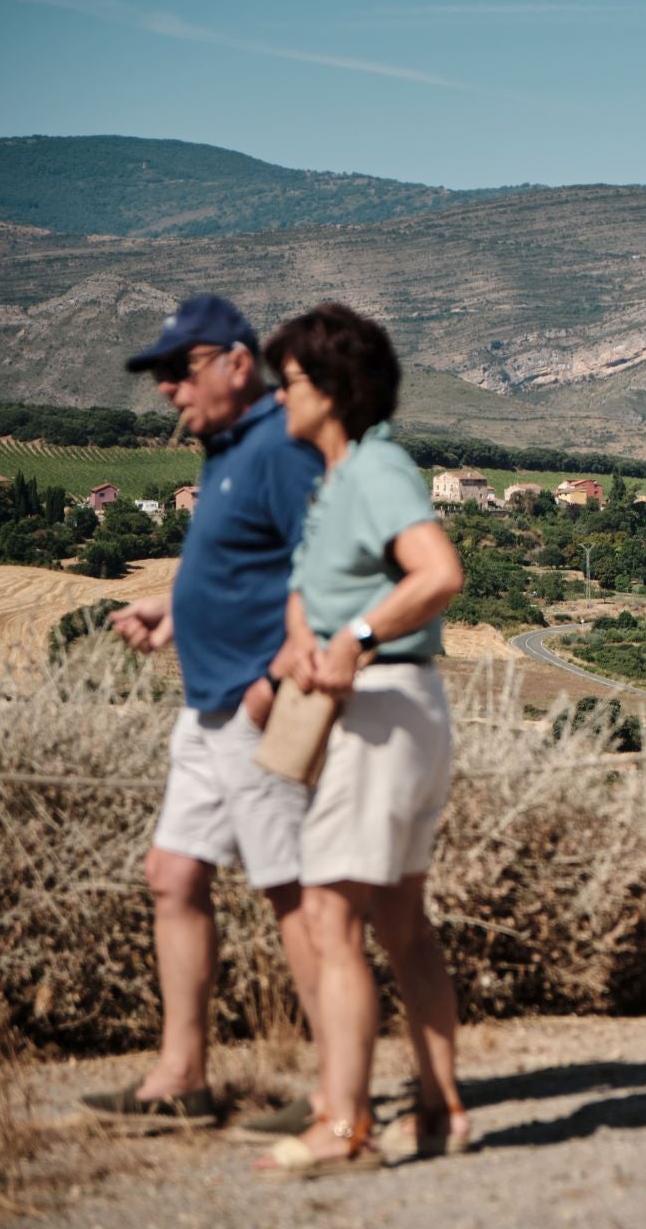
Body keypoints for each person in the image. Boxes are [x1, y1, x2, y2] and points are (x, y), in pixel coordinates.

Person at [83, 296, 326, 1133]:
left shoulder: (281, 449)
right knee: (172, 875)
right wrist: (175, 608)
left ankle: (338, 1088)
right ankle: (182, 1077)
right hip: (207, 703)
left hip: (252, 709)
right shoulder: (225, 452)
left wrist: (273, 684)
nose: (164, 391)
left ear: (235, 362)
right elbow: (241, 569)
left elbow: (327, 567)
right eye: (158, 375)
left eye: (177, 370)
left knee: (294, 895)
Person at [251, 303, 467, 1178]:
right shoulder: (337, 484)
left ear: (333, 391)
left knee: (333, 919)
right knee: (404, 925)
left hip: (378, 712)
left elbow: (440, 572)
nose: (277, 400)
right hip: (401, 713)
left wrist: (354, 642)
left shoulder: (376, 468)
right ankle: (442, 1112)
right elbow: (323, 603)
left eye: (289, 384)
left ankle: (345, 1125)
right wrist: (302, 648)